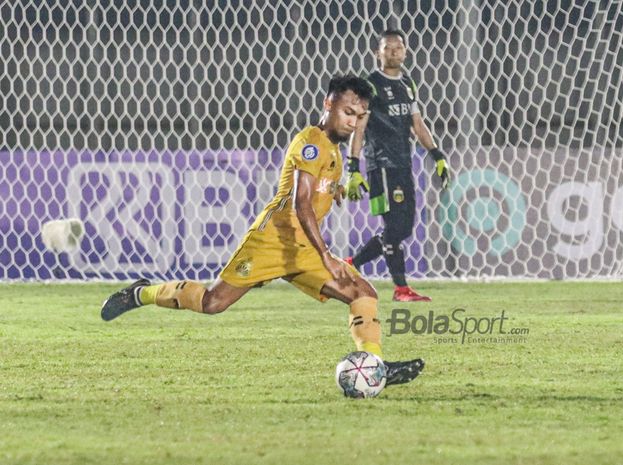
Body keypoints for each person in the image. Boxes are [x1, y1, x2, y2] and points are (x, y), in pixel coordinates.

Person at [100, 74, 423, 387]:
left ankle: (375, 365)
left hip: (302, 250)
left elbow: (317, 191)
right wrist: (326, 255)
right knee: (213, 303)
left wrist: (334, 191)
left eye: (359, 116)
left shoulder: (334, 151)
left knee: (362, 292)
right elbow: (302, 204)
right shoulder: (310, 143)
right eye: (347, 112)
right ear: (328, 103)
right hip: (272, 241)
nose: (352, 122)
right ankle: (141, 293)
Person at [345, 29, 450, 302]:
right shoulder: (371, 85)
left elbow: (417, 122)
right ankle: (401, 288)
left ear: (405, 51)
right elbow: (359, 126)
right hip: (381, 164)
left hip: (403, 163)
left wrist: (437, 154)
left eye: (398, 48)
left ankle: (350, 264)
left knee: (404, 228)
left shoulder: (408, 82)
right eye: (388, 48)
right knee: (395, 226)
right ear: (378, 53)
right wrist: (353, 167)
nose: (394, 52)